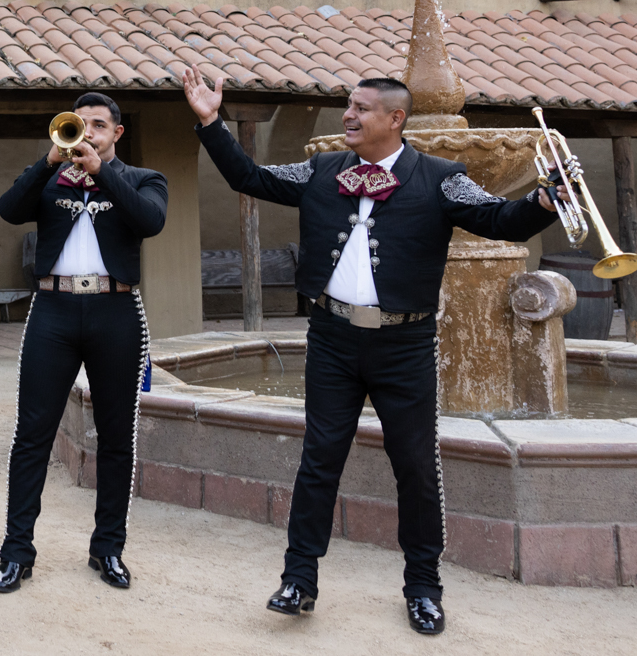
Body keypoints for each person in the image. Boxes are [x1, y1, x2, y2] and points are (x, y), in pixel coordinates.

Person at [182, 69, 562, 636]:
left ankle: (424, 588)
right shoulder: (320, 168)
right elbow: (248, 176)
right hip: (331, 339)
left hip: (405, 346)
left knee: (415, 467)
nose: (349, 116)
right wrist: (211, 121)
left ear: (395, 119)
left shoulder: (441, 178)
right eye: (349, 106)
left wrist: (543, 199)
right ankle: (298, 580)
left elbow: (499, 220)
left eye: (361, 108)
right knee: (319, 460)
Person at [0, 92, 168, 595]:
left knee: (117, 436)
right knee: (32, 434)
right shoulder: (51, 178)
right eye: (80, 124)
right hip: (53, 310)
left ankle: (108, 548)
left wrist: (102, 172)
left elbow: (149, 221)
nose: (87, 132)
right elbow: (9, 209)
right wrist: (49, 161)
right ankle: (16, 551)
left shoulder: (141, 179)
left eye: (98, 125)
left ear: (117, 133)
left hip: (116, 310)